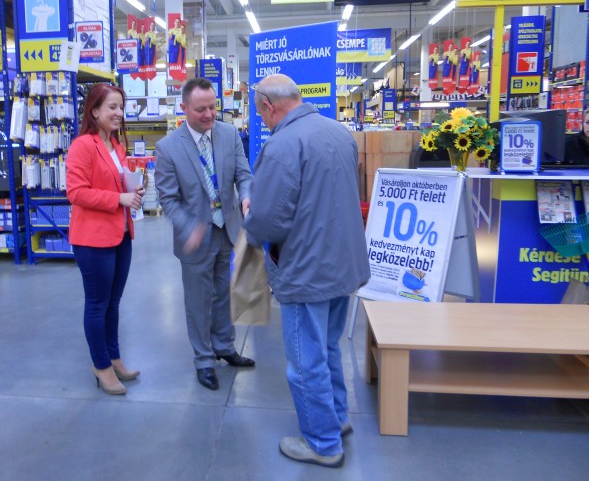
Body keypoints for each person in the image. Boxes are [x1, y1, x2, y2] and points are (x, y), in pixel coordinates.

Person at [243, 74, 370, 468]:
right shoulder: (340, 134)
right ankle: (337, 418)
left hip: (306, 269)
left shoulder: (282, 145)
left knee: (303, 361)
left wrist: (250, 222)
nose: (262, 120)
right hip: (342, 263)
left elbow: (269, 218)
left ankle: (322, 442)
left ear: (268, 106)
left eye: (260, 114)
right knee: (328, 347)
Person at [155, 78, 254, 391]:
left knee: (225, 293)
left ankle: (224, 346)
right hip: (195, 237)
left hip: (228, 229)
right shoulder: (168, 148)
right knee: (199, 301)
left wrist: (246, 196)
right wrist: (189, 227)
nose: (209, 114)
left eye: (213, 107)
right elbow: (168, 199)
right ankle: (203, 359)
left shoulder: (229, 134)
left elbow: (243, 174)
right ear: (184, 108)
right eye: (201, 109)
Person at [66, 83, 146, 396]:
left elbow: (116, 184)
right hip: (93, 239)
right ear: (95, 110)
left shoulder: (116, 146)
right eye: (112, 107)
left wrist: (133, 190)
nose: (118, 113)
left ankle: (114, 358)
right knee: (98, 304)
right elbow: (76, 192)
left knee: (113, 303)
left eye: (121, 107)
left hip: (121, 233)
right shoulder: (82, 146)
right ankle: (101, 366)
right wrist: (119, 199)